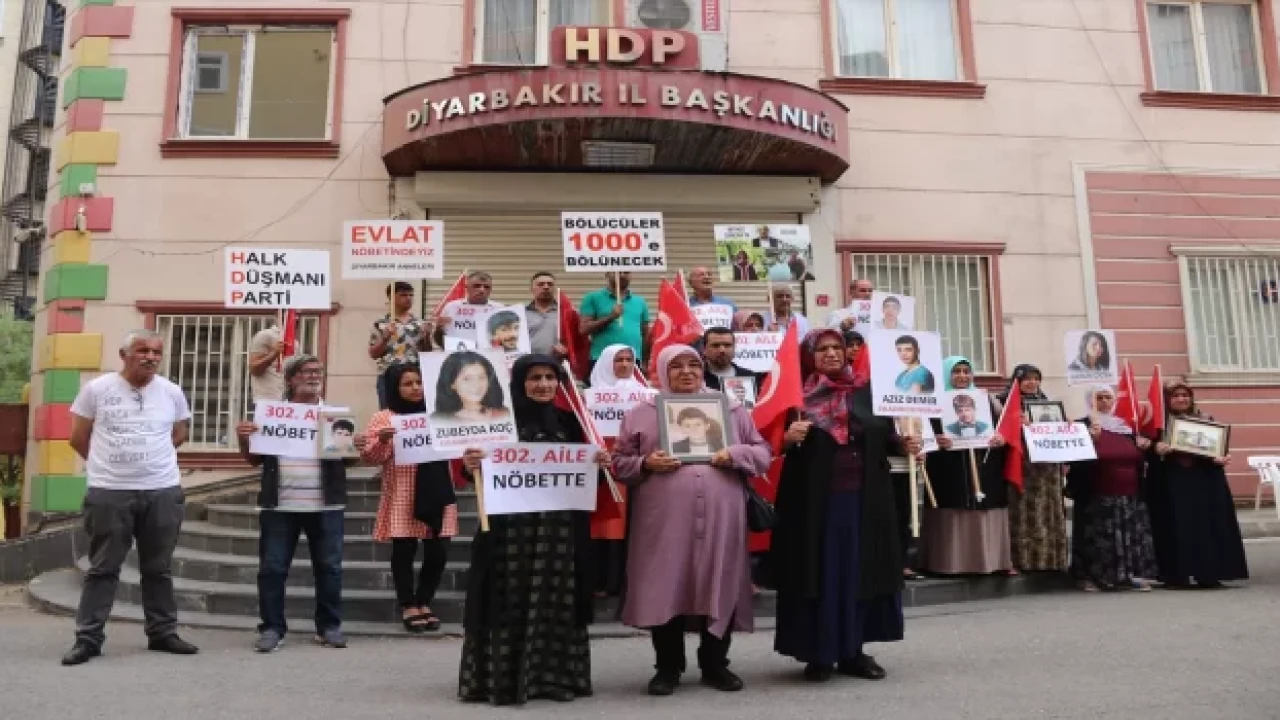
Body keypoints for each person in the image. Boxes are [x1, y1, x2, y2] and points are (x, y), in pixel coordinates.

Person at [614, 344, 772, 696]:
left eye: (693, 365)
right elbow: (619, 462)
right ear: (662, 371)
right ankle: (667, 667)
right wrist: (645, 463)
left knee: (720, 580)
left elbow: (763, 452)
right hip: (662, 522)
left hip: (722, 518)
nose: (686, 372)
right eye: (677, 366)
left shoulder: (731, 409)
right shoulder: (640, 413)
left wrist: (736, 453)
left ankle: (715, 665)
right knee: (664, 585)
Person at [457, 355, 610, 705]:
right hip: (509, 531)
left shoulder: (572, 422)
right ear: (519, 383)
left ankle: (555, 678)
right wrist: (470, 464)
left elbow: (590, 478)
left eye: (550, 377)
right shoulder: (497, 422)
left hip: (560, 533)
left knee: (558, 600)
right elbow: (474, 473)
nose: (543, 384)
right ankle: (502, 680)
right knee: (506, 598)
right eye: (534, 378)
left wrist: (599, 464)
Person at [771, 329, 919, 682]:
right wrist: (786, 439)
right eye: (822, 348)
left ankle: (854, 651)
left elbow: (885, 435)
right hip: (814, 506)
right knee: (821, 575)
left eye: (837, 347)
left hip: (865, 502)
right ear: (809, 356)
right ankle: (819, 653)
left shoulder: (868, 391)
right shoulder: (794, 396)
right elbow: (765, 441)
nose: (832, 353)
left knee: (859, 573)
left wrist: (905, 444)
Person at [62, 330, 198, 666]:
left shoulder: (171, 392)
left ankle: (162, 633)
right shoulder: (97, 390)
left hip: (162, 490)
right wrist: (107, 466)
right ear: (124, 355)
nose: (150, 357)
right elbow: (78, 437)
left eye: (156, 352)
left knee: (158, 568)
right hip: (110, 492)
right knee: (103, 568)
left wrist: (150, 460)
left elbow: (179, 434)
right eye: (142, 350)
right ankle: (88, 639)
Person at [235, 354, 361, 653]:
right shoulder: (271, 415)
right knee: (272, 569)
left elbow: (349, 461)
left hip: (326, 505)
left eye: (318, 371)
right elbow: (253, 459)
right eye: (306, 371)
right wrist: (244, 438)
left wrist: (356, 445)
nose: (314, 376)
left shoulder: (332, 415)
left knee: (329, 568)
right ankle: (272, 628)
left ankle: (329, 627)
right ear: (291, 379)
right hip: (280, 506)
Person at [360, 364, 459, 632]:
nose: (415, 388)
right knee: (404, 550)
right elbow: (371, 457)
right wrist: (382, 441)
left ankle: (425, 601)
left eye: (419, 382)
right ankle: (408, 604)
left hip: (438, 489)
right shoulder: (384, 418)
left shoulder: (441, 413)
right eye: (407, 383)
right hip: (403, 489)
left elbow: (458, 446)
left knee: (438, 550)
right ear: (395, 387)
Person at [1145, 382, 1248, 589]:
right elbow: (1143, 452)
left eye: (1185, 395)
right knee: (1173, 527)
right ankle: (1176, 576)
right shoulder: (1157, 425)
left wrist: (1221, 457)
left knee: (1207, 526)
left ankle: (1209, 574)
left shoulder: (1205, 420)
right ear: (1167, 399)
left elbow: (1215, 450)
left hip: (1204, 482)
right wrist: (1155, 449)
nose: (1181, 399)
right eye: (1176, 395)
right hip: (1170, 484)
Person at [919, 357, 1014, 576]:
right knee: (953, 506)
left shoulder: (986, 399)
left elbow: (1004, 429)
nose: (962, 376)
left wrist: (1001, 438)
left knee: (983, 503)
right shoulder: (932, 402)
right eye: (956, 372)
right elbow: (922, 431)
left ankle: (988, 562)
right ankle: (950, 563)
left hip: (984, 464)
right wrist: (935, 439)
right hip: (948, 467)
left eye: (966, 371)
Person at [1067, 386, 1158, 592]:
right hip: (1097, 493)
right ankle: (1091, 577)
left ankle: (1126, 576)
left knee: (1127, 536)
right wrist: (1090, 440)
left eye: (1108, 397)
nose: (1104, 401)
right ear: (1090, 400)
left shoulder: (1126, 427)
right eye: (1099, 397)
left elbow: (1138, 459)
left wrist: (1144, 447)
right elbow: (1074, 459)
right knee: (1096, 537)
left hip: (1129, 494)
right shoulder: (1081, 425)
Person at [998, 364, 1069, 572]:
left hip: (1048, 467)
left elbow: (1057, 432)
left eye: (1036, 378)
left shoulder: (1046, 402)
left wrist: (1066, 426)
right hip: (1023, 465)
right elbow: (1002, 431)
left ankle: (1050, 560)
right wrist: (1017, 423)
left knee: (1048, 509)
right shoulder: (1004, 402)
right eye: (1027, 379)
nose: (1032, 383)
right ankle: (1024, 560)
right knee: (1024, 511)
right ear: (1017, 380)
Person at [369, 281, 434, 410]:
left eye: (411, 295)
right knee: (389, 413)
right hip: (389, 376)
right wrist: (384, 338)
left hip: (415, 377)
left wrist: (426, 337)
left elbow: (427, 352)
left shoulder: (420, 323)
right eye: (403, 295)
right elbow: (373, 353)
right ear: (392, 297)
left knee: (417, 412)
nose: (408, 298)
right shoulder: (381, 324)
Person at [579, 271, 651, 376]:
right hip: (601, 359)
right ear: (607, 274)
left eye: (626, 272)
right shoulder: (592, 298)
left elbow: (645, 335)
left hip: (632, 360)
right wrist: (611, 317)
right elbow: (584, 329)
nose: (622, 275)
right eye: (617, 272)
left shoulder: (640, 302)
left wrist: (645, 361)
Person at [429, 351, 511, 424]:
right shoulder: (439, 419)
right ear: (452, 384)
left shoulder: (503, 413)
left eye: (481, 377)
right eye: (467, 379)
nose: (476, 384)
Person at [435, 271, 501, 342]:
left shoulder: (499, 309)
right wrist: (439, 328)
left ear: (491, 290)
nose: (482, 290)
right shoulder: (451, 307)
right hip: (458, 348)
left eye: (486, 287)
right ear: (467, 287)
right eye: (477, 286)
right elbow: (439, 340)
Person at [701, 327, 764, 391]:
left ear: (734, 348)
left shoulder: (751, 377)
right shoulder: (698, 378)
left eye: (727, 345)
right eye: (716, 345)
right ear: (704, 349)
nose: (722, 350)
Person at [526, 271, 569, 359]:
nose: (546, 287)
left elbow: (577, 341)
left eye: (550, 284)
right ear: (532, 289)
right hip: (528, 362)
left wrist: (567, 349)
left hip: (557, 363)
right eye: (540, 284)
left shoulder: (567, 313)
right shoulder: (521, 314)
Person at [248, 323, 285, 401]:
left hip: (288, 401)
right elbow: (254, 369)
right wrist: (274, 354)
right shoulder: (266, 335)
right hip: (266, 400)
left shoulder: (294, 342)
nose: (297, 318)